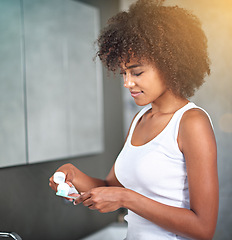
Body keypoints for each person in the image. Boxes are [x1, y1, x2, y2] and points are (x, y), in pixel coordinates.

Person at [49, 0, 218, 239]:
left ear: (170, 65)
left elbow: (203, 228)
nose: (127, 82)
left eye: (137, 72)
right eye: (124, 73)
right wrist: (75, 177)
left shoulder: (191, 122)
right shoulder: (140, 120)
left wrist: (127, 198)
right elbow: (111, 188)